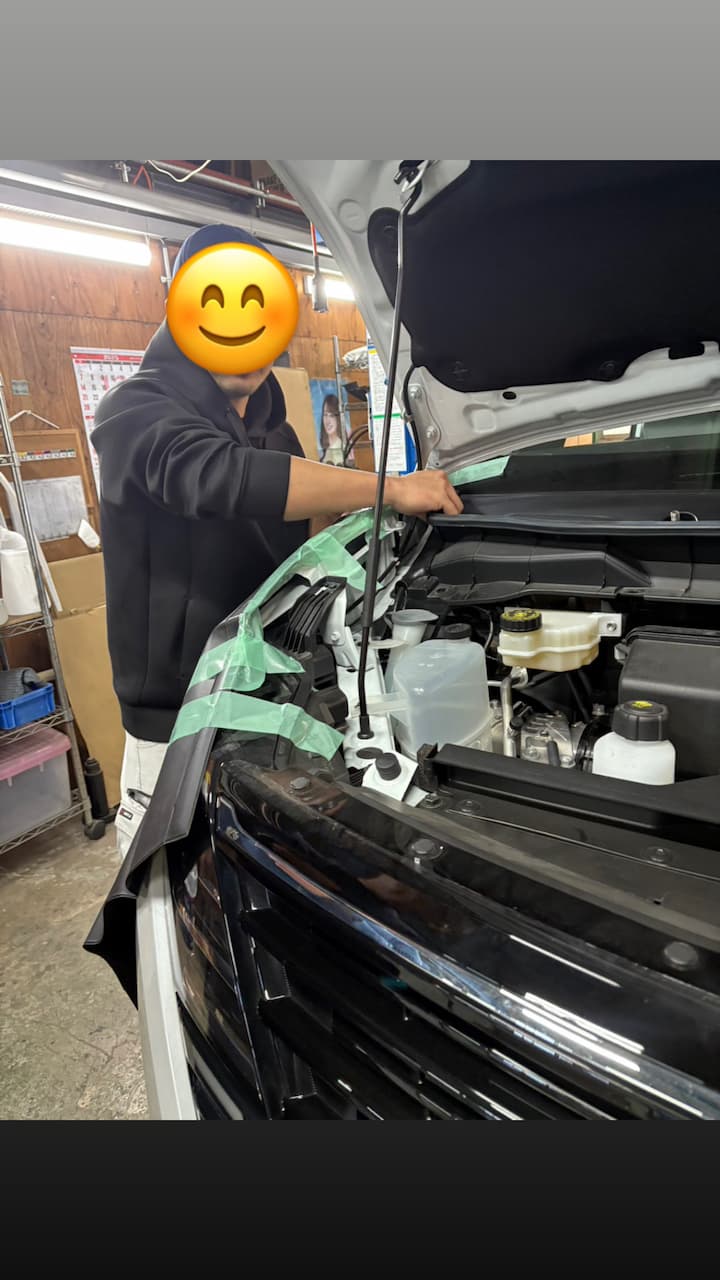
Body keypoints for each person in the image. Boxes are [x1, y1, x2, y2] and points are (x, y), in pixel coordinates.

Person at [92, 223, 463, 859]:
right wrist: (391, 489)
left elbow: (303, 540)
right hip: (179, 724)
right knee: (177, 884)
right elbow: (215, 477)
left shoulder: (273, 430)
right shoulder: (135, 412)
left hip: (273, 702)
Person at [318, 393, 345, 465]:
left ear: (338, 418)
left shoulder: (340, 447)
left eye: (332, 415)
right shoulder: (327, 448)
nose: (328, 421)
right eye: (325, 415)